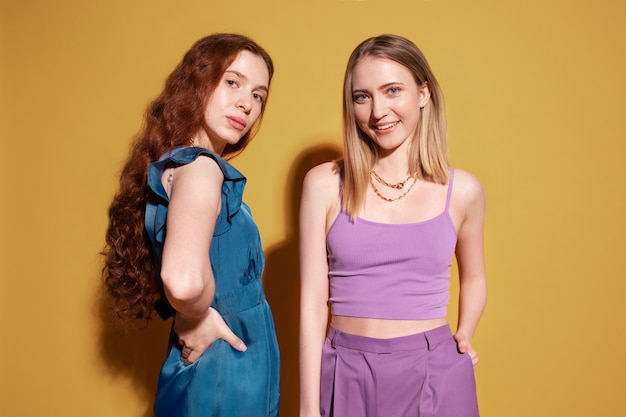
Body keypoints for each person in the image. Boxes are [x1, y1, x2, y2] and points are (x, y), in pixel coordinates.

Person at [299, 34, 487, 417]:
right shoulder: (323, 184)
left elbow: (474, 277)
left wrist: (464, 332)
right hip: (345, 368)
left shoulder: (462, 190)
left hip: (435, 370)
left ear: (423, 93)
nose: (378, 110)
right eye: (362, 96)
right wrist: (307, 406)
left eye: (392, 90)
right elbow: (313, 303)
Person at [102, 33, 280, 417]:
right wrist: (196, 315)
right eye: (232, 82)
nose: (246, 104)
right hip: (225, 365)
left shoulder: (178, 164)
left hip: (222, 360)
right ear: (197, 82)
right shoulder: (201, 169)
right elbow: (182, 280)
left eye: (258, 95)